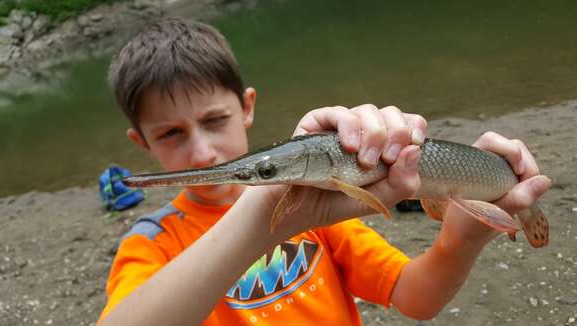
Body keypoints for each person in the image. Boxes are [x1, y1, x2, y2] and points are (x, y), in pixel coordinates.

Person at [98, 18, 551, 325]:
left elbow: (417, 297)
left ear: (247, 107)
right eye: (171, 133)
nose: (202, 155)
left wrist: (463, 235)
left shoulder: (325, 225)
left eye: (215, 121)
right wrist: (265, 210)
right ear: (141, 143)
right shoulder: (153, 243)